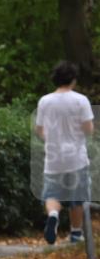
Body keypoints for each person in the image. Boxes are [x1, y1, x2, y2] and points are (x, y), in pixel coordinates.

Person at [35, 61, 94, 244]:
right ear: (73, 80)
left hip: (54, 158)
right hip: (76, 158)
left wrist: (50, 140)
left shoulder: (45, 101)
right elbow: (88, 129)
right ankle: (76, 234)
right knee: (78, 197)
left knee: (52, 194)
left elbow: (39, 129)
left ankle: (53, 214)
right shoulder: (81, 100)